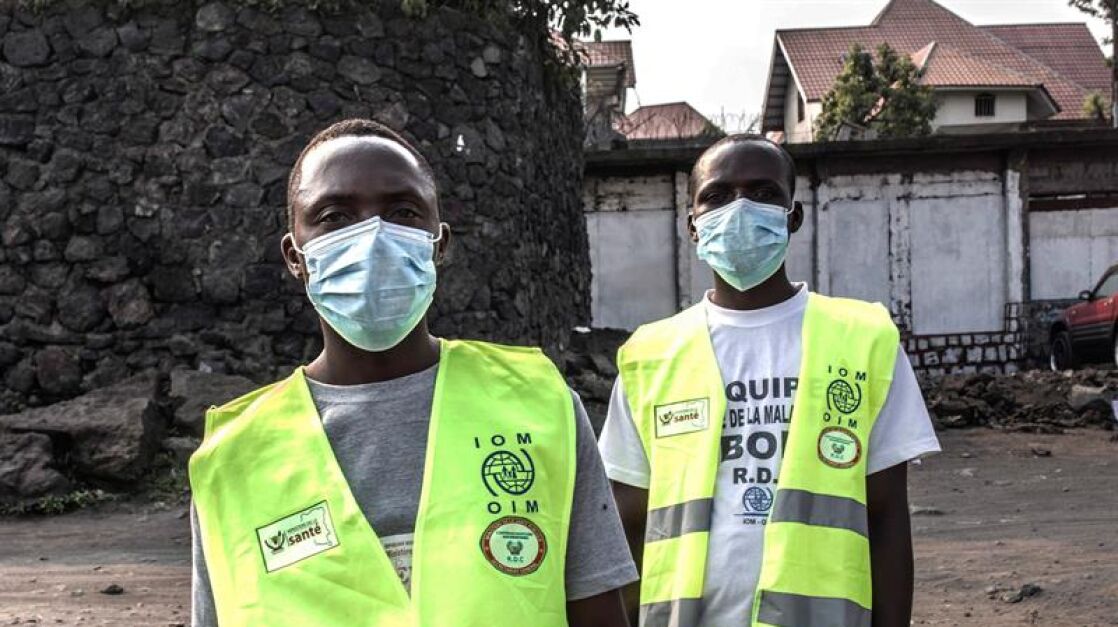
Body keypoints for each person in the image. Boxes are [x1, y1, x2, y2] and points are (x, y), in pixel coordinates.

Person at [189, 118, 637, 627]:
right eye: (334, 217)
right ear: (295, 256)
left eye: (402, 212)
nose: (372, 237)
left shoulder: (539, 408)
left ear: (438, 243)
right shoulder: (233, 458)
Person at [599, 135, 940, 627]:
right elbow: (628, 524)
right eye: (717, 196)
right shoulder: (650, 355)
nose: (739, 209)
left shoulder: (863, 340)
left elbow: (886, 516)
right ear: (693, 225)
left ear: (792, 216)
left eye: (762, 193)